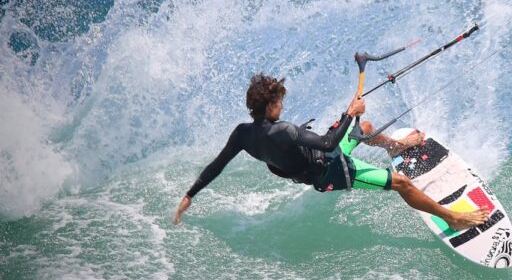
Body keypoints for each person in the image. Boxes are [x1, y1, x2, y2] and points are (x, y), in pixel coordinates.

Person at [173, 74, 489, 230]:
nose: (282, 105)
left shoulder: (243, 133)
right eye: (279, 102)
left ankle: (396, 145)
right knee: (402, 183)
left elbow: (217, 165)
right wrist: (350, 111)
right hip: (331, 171)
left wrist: (191, 194)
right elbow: (327, 144)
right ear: (269, 106)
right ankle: (453, 218)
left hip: (321, 160)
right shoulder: (284, 130)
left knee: (364, 130)